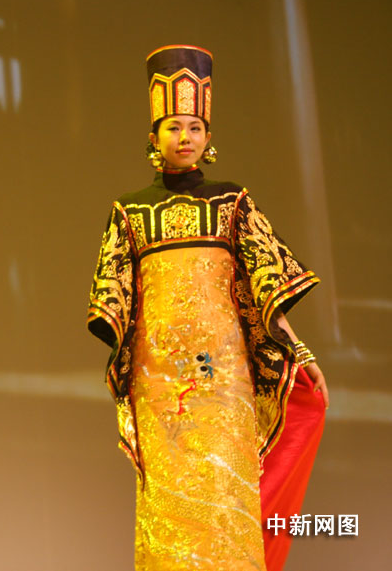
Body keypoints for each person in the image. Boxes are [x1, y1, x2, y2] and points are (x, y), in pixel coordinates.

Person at [86, 45, 328, 570]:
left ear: (208, 137)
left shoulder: (232, 202)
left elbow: (263, 289)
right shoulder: (130, 211)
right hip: (159, 384)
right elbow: (114, 298)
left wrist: (300, 352)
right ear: (154, 137)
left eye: (195, 127)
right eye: (173, 127)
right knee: (170, 507)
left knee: (225, 493)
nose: (185, 137)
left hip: (223, 378)